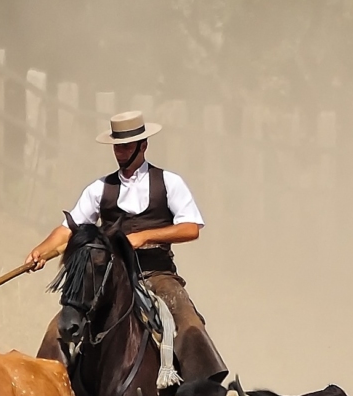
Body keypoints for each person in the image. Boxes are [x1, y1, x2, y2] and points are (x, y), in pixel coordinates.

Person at [27, 110, 223, 377]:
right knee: (58, 331)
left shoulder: (168, 182)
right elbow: (68, 230)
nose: (120, 152)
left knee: (189, 326)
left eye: (127, 146)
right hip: (108, 276)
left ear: (143, 145)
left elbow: (191, 228)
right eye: (117, 146)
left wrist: (146, 236)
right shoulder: (99, 188)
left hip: (157, 274)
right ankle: (47, 394)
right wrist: (41, 252)